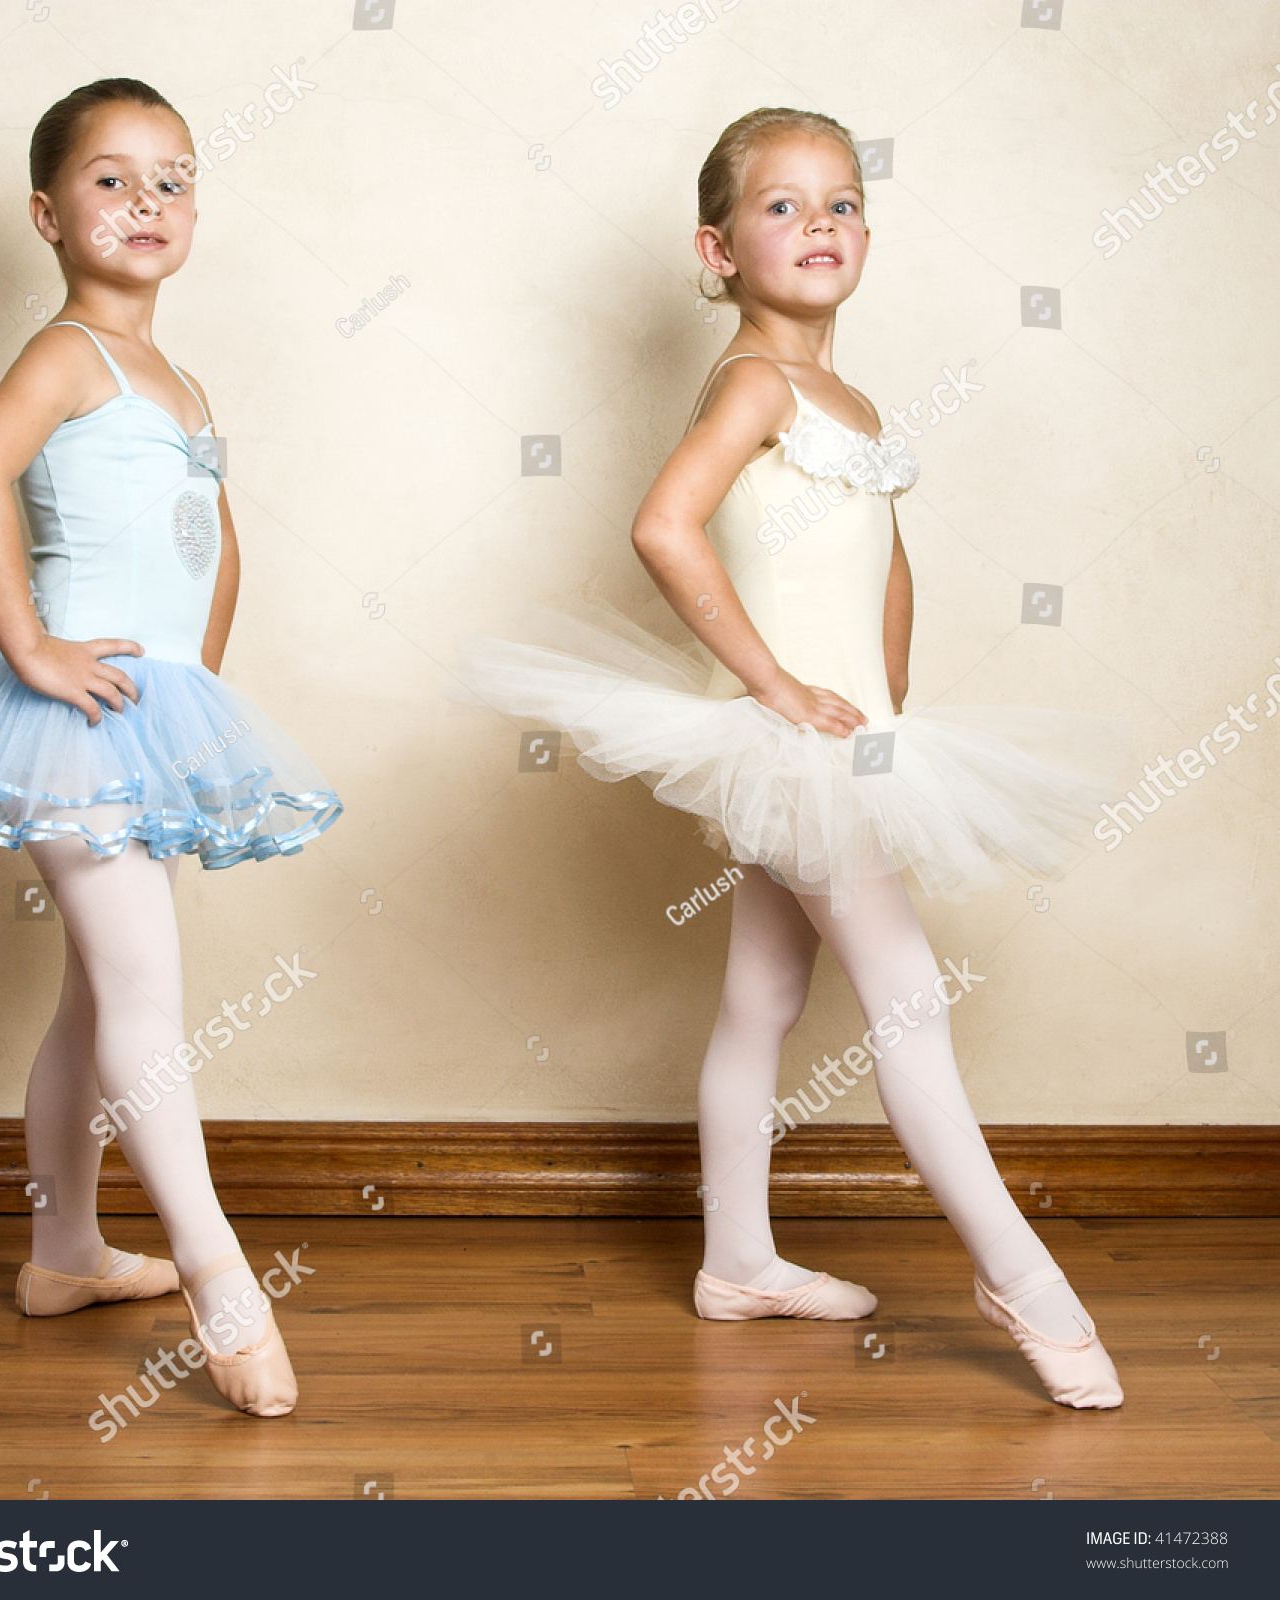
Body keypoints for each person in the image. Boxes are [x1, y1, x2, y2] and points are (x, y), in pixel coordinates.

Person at [455, 107, 1132, 1408]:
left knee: (763, 997)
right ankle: (1021, 1276)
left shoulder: (851, 399)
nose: (819, 224)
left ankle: (738, 1261)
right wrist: (773, 684)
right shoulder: (757, 379)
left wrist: (890, 697)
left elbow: (881, 560)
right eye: (783, 205)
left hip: (858, 740)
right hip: (792, 741)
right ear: (716, 247)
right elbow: (666, 527)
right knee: (909, 1003)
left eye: (842, 202)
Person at [0, 78, 341, 1418]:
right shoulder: (69, 350)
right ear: (46, 212)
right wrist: (30, 649)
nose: (148, 202)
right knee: (143, 1002)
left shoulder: (177, 376)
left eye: (173, 178)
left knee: (92, 995)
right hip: (68, 718)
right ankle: (217, 1272)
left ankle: (64, 1252)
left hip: (150, 719)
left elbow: (214, 539)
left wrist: (201, 699)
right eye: (113, 180)